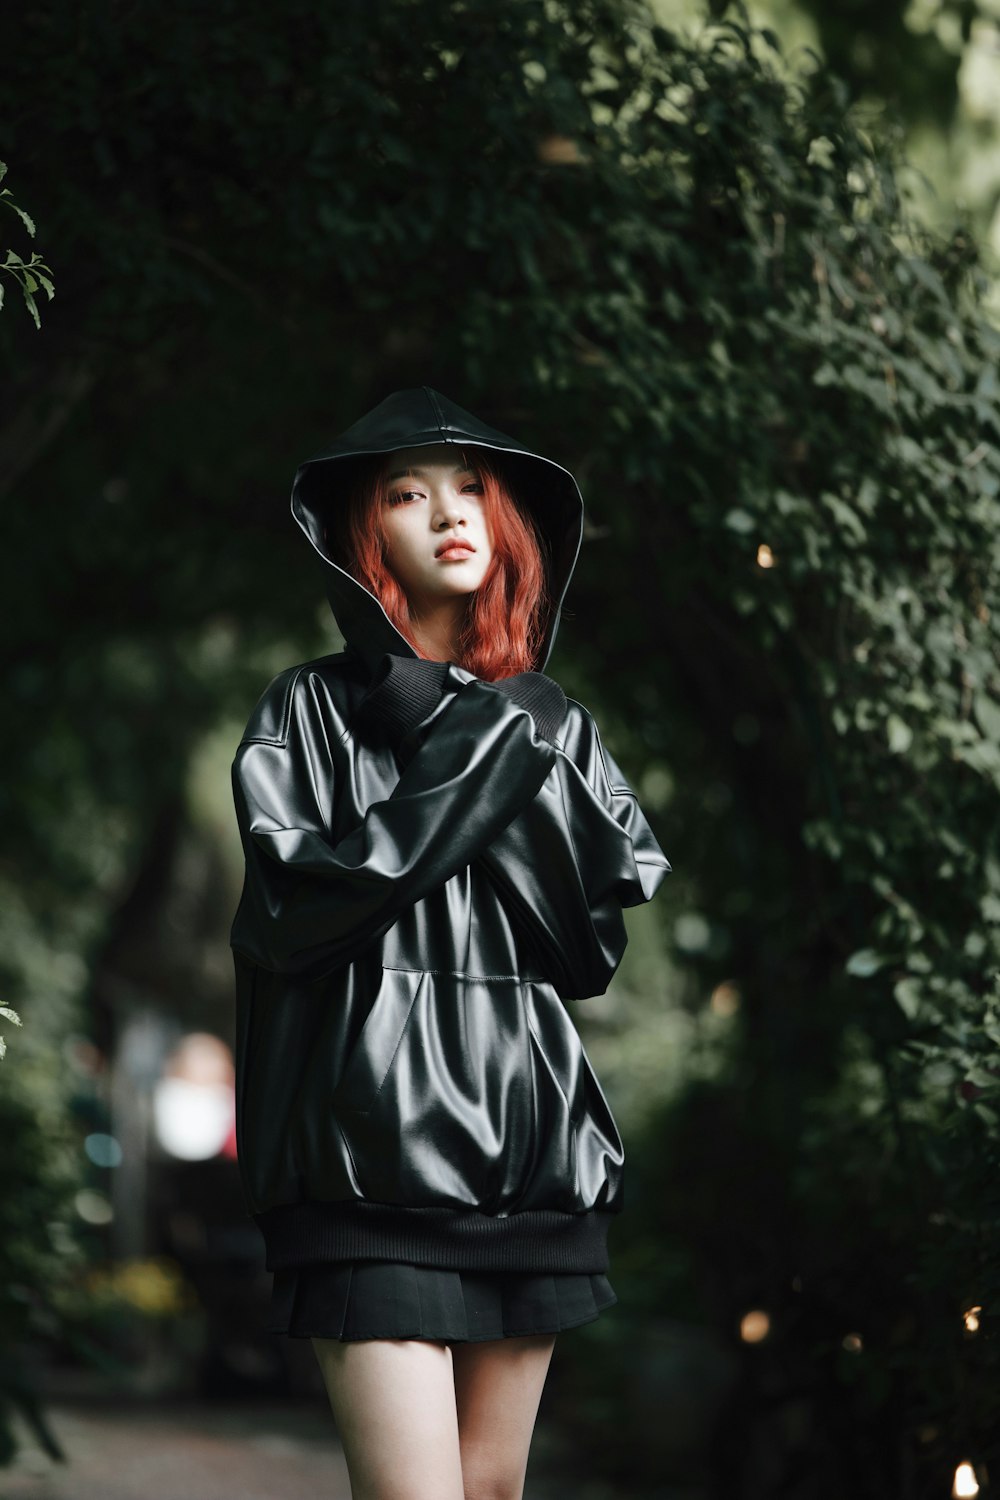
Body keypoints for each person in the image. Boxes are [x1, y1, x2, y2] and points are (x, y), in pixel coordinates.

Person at [228, 386, 672, 1500]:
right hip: (364, 1171)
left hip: (529, 1171)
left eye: (471, 486)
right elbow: (295, 913)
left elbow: (587, 950)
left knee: (489, 1494)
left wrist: (508, 733)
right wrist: (475, 754)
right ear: (362, 533)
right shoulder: (306, 713)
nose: (449, 513)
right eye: (408, 493)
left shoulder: (553, 723)